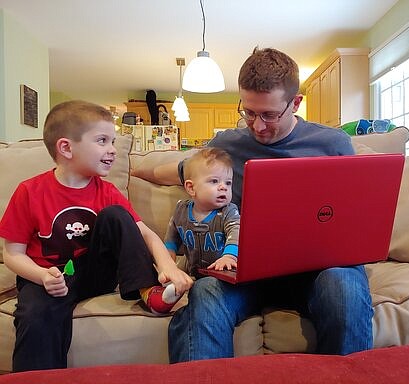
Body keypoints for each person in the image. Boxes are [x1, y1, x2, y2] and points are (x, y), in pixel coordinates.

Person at [140, 47, 373, 362]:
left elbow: (355, 216)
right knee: (206, 291)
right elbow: (179, 171)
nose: (257, 125)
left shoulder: (332, 144)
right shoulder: (226, 144)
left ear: (296, 103)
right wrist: (123, 168)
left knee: (344, 286)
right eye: (248, 112)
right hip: (244, 272)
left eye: (269, 114)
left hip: (318, 271)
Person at [0, 100, 193, 372]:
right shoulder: (29, 192)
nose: (112, 150)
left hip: (95, 272)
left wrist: (168, 267)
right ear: (66, 147)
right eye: (102, 141)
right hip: (47, 277)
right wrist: (42, 276)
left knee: (116, 214)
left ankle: (149, 291)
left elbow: (146, 235)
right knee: (34, 315)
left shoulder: (107, 191)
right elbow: (12, 253)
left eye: (113, 141)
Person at [164, 147, 240, 280]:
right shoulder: (181, 209)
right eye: (214, 181)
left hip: (221, 273)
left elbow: (236, 232)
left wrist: (229, 256)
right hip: (191, 271)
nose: (223, 187)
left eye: (228, 183)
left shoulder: (229, 211)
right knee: (168, 277)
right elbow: (172, 236)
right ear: (191, 188)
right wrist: (168, 256)